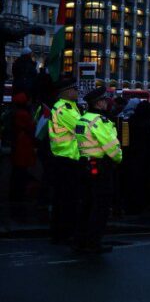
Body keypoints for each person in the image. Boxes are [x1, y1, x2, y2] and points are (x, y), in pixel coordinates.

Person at [72, 87, 122, 254]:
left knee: (85, 205)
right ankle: (94, 242)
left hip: (83, 165)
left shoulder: (82, 119)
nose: (107, 102)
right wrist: (118, 159)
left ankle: (80, 240)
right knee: (100, 207)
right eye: (104, 100)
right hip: (100, 167)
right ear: (99, 103)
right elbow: (111, 146)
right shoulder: (101, 121)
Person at [48, 77, 81, 245]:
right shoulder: (63, 109)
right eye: (74, 89)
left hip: (71, 158)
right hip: (65, 159)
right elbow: (82, 128)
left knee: (68, 198)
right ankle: (62, 233)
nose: (77, 92)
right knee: (65, 199)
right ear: (67, 91)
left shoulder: (71, 107)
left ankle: (64, 231)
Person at [8, 93, 37, 202]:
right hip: (23, 145)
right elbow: (31, 127)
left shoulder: (15, 113)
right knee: (21, 171)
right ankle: (19, 194)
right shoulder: (24, 114)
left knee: (17, 170)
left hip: (19, 145)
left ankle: (16, 193)